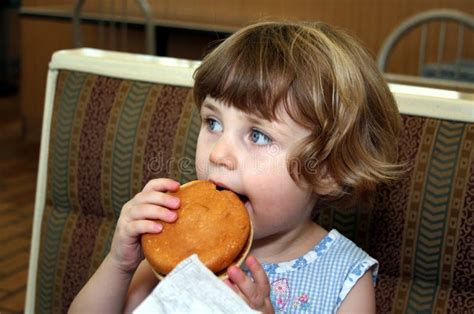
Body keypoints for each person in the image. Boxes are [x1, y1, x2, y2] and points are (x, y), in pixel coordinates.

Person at [69, 21, 401, 313]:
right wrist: (120, 265)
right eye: (213, 122)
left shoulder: (345, 278)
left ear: (327, 171)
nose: (219, 154)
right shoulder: (182, 243)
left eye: (257, 134)